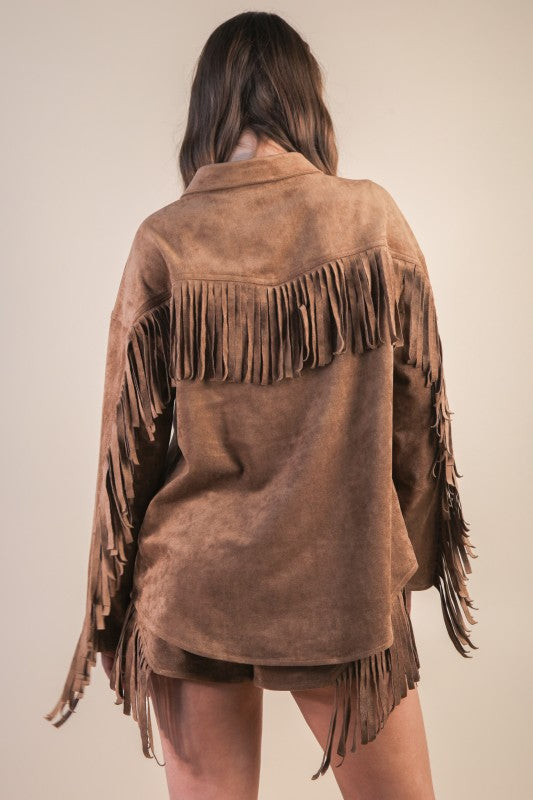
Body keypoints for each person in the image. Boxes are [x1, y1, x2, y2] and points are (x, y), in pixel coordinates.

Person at [44, 11, 478, 800]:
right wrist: (402, 560)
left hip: (193, 585)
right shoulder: (368, 218)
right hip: (339, 583)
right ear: (305, 101)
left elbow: (125, 449)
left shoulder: (167, 238)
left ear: (207, 107)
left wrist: (106, 615)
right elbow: (417, 414)